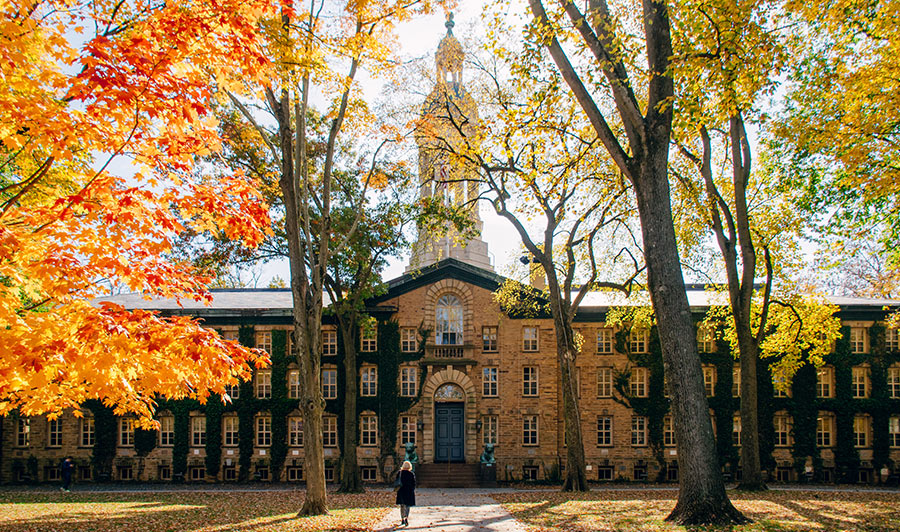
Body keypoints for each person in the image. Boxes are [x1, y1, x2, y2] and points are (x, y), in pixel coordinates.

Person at [395, 460, 416, 526]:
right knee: (407, 505)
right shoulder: (411, 474)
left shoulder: (400, 473)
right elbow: (414, 483)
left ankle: (402, 519)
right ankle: (406, 517)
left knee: (402, 506)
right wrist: (412, 489)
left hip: (401, 491)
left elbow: (396, 481)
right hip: (409, 491)